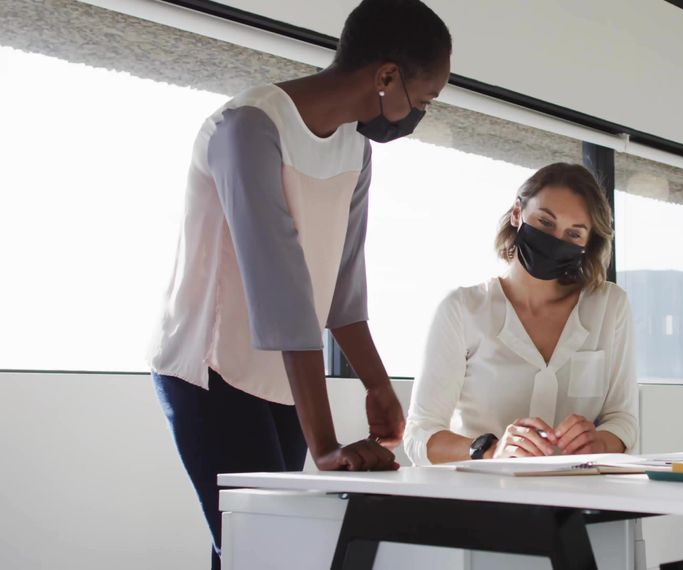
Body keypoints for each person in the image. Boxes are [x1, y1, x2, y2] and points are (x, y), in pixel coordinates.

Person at [146, 1, 451, 567]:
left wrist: (378, 386)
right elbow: (279, 285)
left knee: (263, 548)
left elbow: (341, 283)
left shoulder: (354, 148)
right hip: (209, 368)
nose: (418, 116)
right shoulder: (249, 126)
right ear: (386, 76)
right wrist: (326, 445)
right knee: (260, 547)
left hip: (283, 377)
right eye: (424, 99)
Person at [404, 163, 639, 465]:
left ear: (588, 243)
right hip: (483, 501)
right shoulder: (462, 309)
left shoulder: (610, 306)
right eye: (545, 222)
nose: (556, 240)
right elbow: (420, 435)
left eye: (574, 234)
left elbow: (623, 420)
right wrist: (489, 450)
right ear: (517, 213)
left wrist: (600, 442)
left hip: (576, 497)